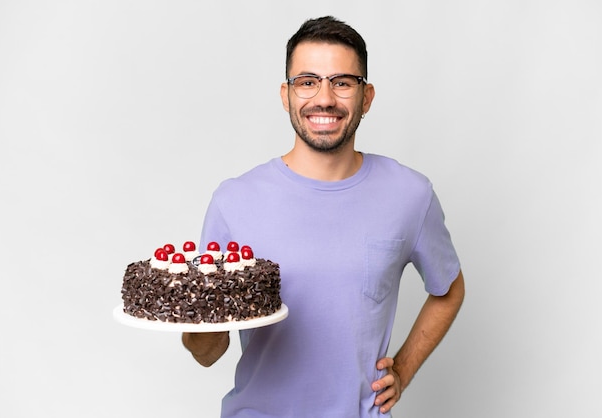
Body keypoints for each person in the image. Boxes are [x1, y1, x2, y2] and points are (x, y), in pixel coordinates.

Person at [182, 16, 465, 417]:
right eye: (308, 81)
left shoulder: (410, 195)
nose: (325, 98)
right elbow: (207, 354)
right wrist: (190, 316)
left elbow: (449, 290)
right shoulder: (235, 201)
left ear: (366, 97)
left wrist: (403, 367)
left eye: (343, 82)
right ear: (286, 94)